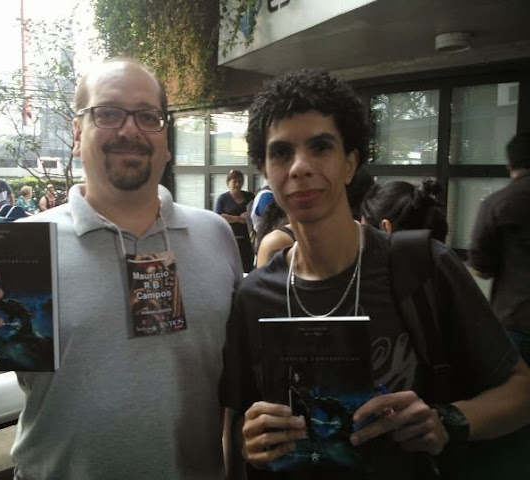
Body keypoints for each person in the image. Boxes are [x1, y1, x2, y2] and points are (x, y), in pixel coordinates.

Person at [0, 58, 242, 479]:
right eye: (107, 113)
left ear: (165, 136)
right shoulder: (20, 248)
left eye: (147, 116)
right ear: (76, 132)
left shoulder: (216, 236)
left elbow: (233, 386)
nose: (129, 130)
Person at [220, 69, 530, 479]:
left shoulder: (424, 267)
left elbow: (520, 391)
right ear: (264, 168)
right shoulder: (254, 295)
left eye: (320, 146)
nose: (299, 167)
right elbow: (236, 431)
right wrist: (252, 444)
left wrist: (447, 420)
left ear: (350, 163)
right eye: (280, 153)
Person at [469, 132, 530, 365]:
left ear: (510, 163)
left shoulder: (499, 203)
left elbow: (481, 266)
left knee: (516, 394)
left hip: (518, 318)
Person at [360, 178, 449, 242]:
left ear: (386, 228)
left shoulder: (388, 266)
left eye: (364, 230)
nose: (361, 239)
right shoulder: (443, 259)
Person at [215, 169, 256, 273]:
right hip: (230, 239)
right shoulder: (223, 198)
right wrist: (238, 219)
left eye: (240, 181)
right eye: (234, 181)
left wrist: (248, 216)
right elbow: (219, 216)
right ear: (228, 183)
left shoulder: (249, 196)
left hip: (248, 240)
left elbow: (257, 212)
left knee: (248, 268)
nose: (237, 184)